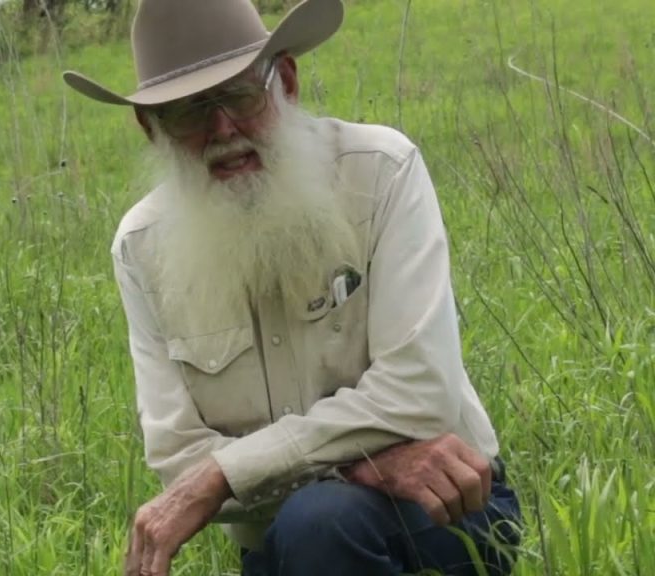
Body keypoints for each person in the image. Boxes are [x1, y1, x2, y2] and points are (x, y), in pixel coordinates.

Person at [63, 1, 522, 574]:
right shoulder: (140, 248)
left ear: (285, 80)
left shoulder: (381, 172)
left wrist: (227, 473)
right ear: (151, 129)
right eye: (188, 112)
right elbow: (180, 461)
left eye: (238, 95)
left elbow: (418, 391)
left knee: (319, 518)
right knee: (313, 520)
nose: (222, 129)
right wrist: (363, 461)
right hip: (287, 547)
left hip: (445, 513)